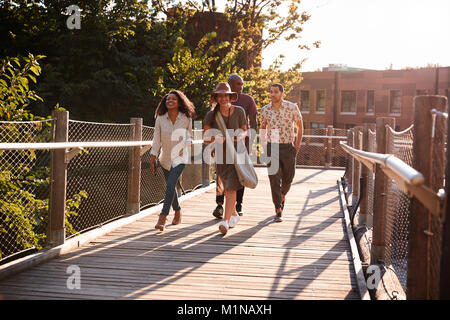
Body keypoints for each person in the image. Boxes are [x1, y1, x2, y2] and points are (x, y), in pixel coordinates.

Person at [203, 82, 247, 234]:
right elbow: (205, 137)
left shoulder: (239, 111)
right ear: (216, 98)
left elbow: (244, 130)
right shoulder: (211, 115)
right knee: (227, 187)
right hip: (221, 157)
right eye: (219, 96)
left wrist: (239, 136)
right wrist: (216, 138)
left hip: (237, 155)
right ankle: (233, 213)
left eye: (225, 95)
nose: (223, 98)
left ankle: (225, 222)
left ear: (230, 96)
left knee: (231, 188)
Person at [212, 74, 258, 219]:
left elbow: (254, 122)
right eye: (238, 84)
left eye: (242, 84)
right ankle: (220, 204)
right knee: (221, 174)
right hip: (222, 144)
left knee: (240, 172)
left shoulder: (248, 100)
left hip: (240, 144)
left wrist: (250, 143)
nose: (241, 86)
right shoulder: (221, 99)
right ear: (230, 84)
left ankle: (238, 205)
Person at [151, 90, 196, 231]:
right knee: (172, 186)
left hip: (181, 157)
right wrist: (153, 157)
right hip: (165, 159)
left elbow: (190, 135)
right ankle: (178, 211)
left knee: (170, 185)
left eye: (173, 99)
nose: (170, 101)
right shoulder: (160, 118)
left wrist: (188, 141)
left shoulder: (186, 118)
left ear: (179, 102)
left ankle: (163, 216)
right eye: (167, 99)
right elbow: (156, 140)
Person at [259, 83, 303, 222]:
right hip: (272, 147)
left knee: (288, 179)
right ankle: (278, 209)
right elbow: (262, 127)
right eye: (271, 92)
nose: (273, 94)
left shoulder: (292, 107)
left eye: (276, 92)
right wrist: (264, 145)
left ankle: (282, 195)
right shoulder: (265, 110)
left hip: (288, 147)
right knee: (274, 179)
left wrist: (297, 144)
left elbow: (300, 126)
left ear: (282, 93)